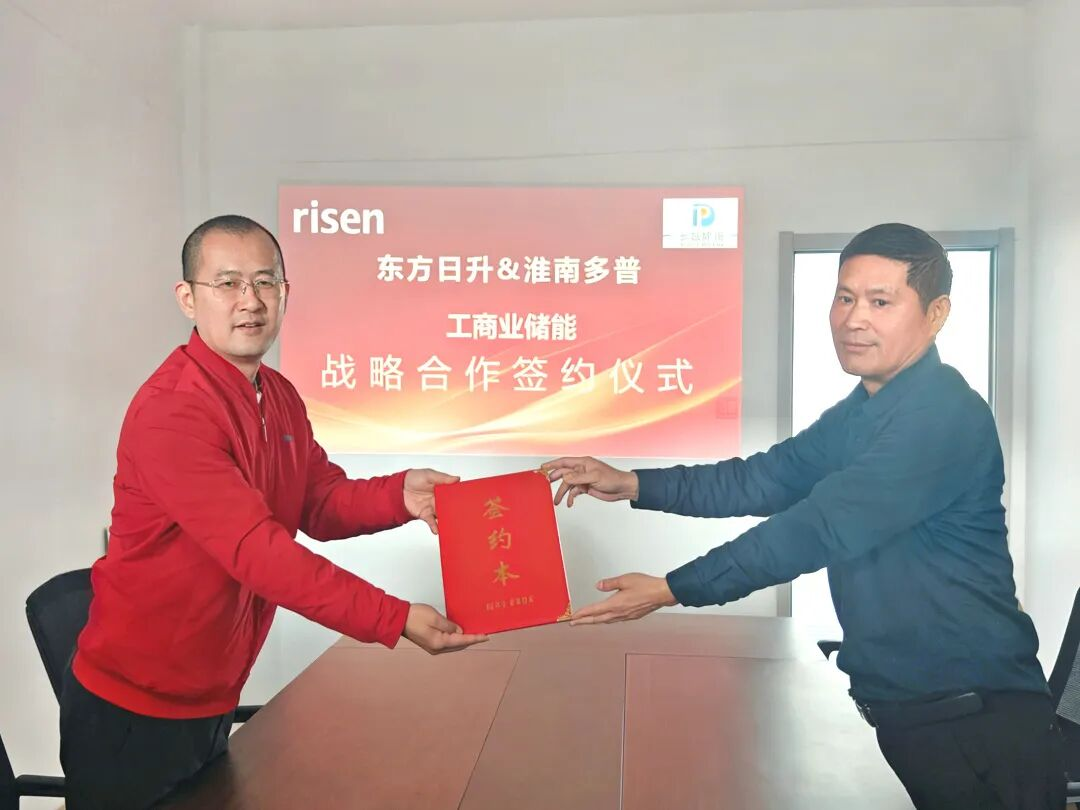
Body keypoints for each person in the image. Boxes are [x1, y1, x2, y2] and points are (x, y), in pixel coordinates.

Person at [543, 223, 1064, 810]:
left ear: (936, 313)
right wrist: (632, 483)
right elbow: (762, 478)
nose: (853, 319)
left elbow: (816, 528)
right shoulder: (862, 412)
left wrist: (671, 589)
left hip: (977, 726)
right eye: (844, 297)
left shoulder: (943, 415)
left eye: (880, 302)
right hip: (911, 716)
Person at [60, 215, 487, 810]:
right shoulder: (172, 411)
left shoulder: (277, 394)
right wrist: (393, 618)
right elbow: (260, 555)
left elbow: (318, 500)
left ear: (285, 293)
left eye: (266, 282)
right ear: (188, 298)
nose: (251, 301)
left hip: (211, 693)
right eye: (228, 283)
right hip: (134, 710)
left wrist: (401, 496)